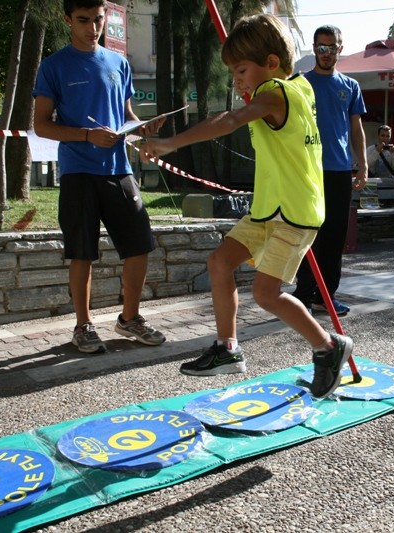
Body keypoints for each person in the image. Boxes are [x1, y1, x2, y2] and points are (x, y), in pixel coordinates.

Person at [140, 14, 353, 399]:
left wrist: (170, 143)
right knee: (220, 262)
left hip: (295, 215)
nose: (236, 81)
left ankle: (328, 347)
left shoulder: (275, 93)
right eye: (233, 72)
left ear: (271, 63)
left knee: (266, 294)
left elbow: (230, 120)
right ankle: (227, 348)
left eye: (241, 71)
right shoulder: (299, 88)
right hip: (270, 209)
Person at [32, 0, 166, 354]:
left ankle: (130, 319)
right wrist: (87, 135)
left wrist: (142, 128)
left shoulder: (119, 63)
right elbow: (41, 125)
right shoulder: (53, 66)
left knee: (140, 245)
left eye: (98, 20)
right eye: (83, 20)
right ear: (68, 20)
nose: (93, 28)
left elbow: (126, 116)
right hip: (78, 171)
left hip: (119, 169)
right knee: (82, 253)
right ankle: (83, 326)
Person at [291, 24, 368, 318]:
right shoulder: (299, 83)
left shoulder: (350, 86)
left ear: (340, 48)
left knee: (335, 236)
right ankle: (303, 295)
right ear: (314, 48)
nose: (326, 53)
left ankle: (326, 297)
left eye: (331, 47)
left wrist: (363, 164)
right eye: (321, 47)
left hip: (339, 171)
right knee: (310, 234)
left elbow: (356, 129)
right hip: (308, 170)